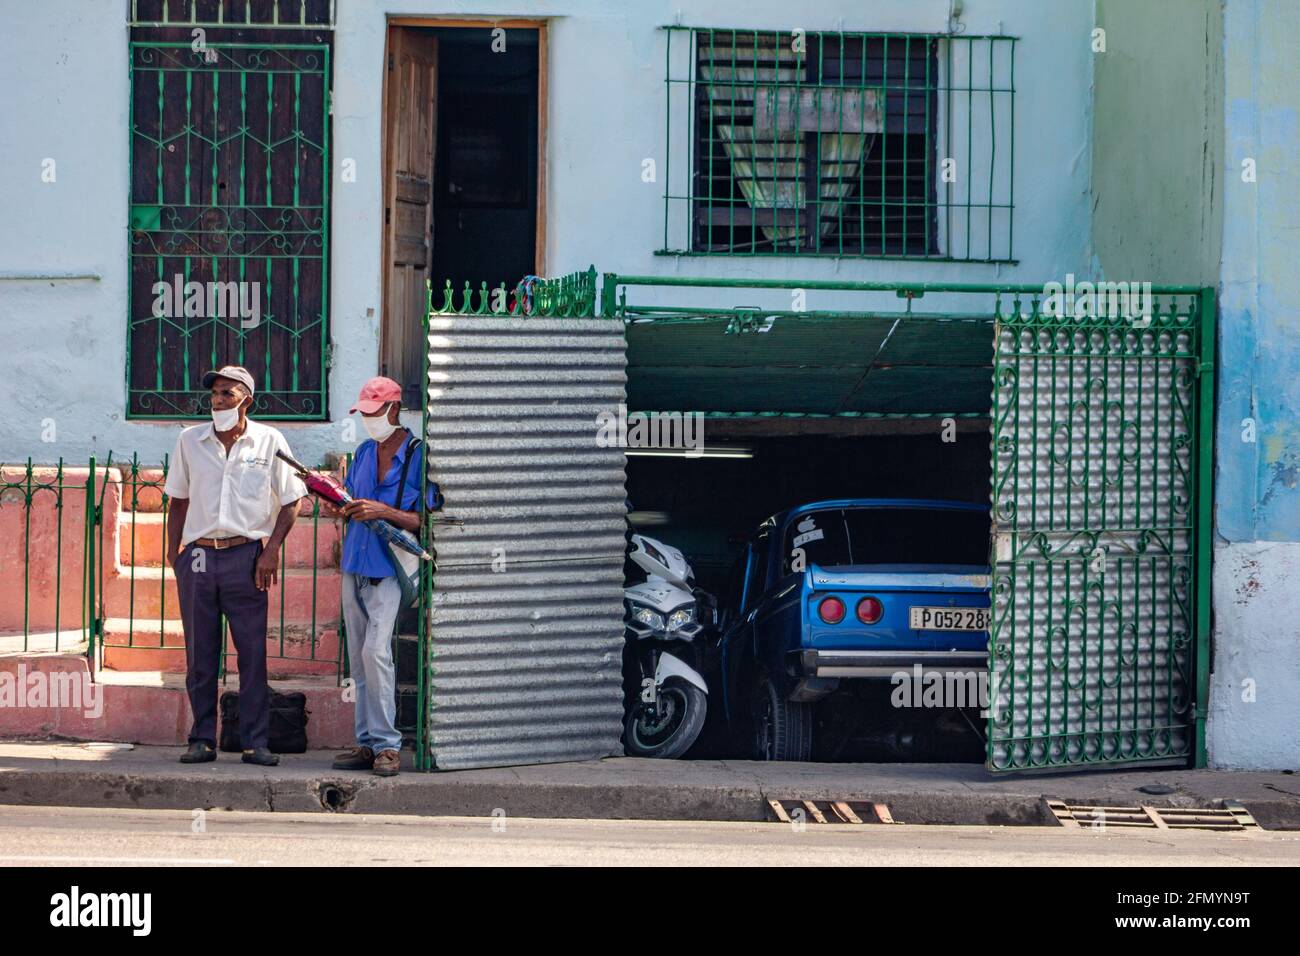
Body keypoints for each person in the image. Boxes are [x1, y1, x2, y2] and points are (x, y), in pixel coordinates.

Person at [164, 366, 307, 766]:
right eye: (214, 393)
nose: (218, 401)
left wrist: (272, 549)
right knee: (201, 653)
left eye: (227, 394)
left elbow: (294, 497)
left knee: (252, 654)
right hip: (197, 556)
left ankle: (254, 741)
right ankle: (202, 738)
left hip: (247, 556)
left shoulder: (269, 441)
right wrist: (172, 553)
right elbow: (178, 499)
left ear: (248, 399)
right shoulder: (190, 441)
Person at [331, 377, 439, 777]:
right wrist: (339, 506)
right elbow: (350, 501)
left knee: (377, 652)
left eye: (374, 413)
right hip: (354, 565)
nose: (368, 420)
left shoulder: (417, 455)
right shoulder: (361, 452)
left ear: (394, 410)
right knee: (359, 657)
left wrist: (382, 511)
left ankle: (388, 746)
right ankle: (367, 743)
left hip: (388, 568)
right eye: (364, 414)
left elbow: (424, 521)